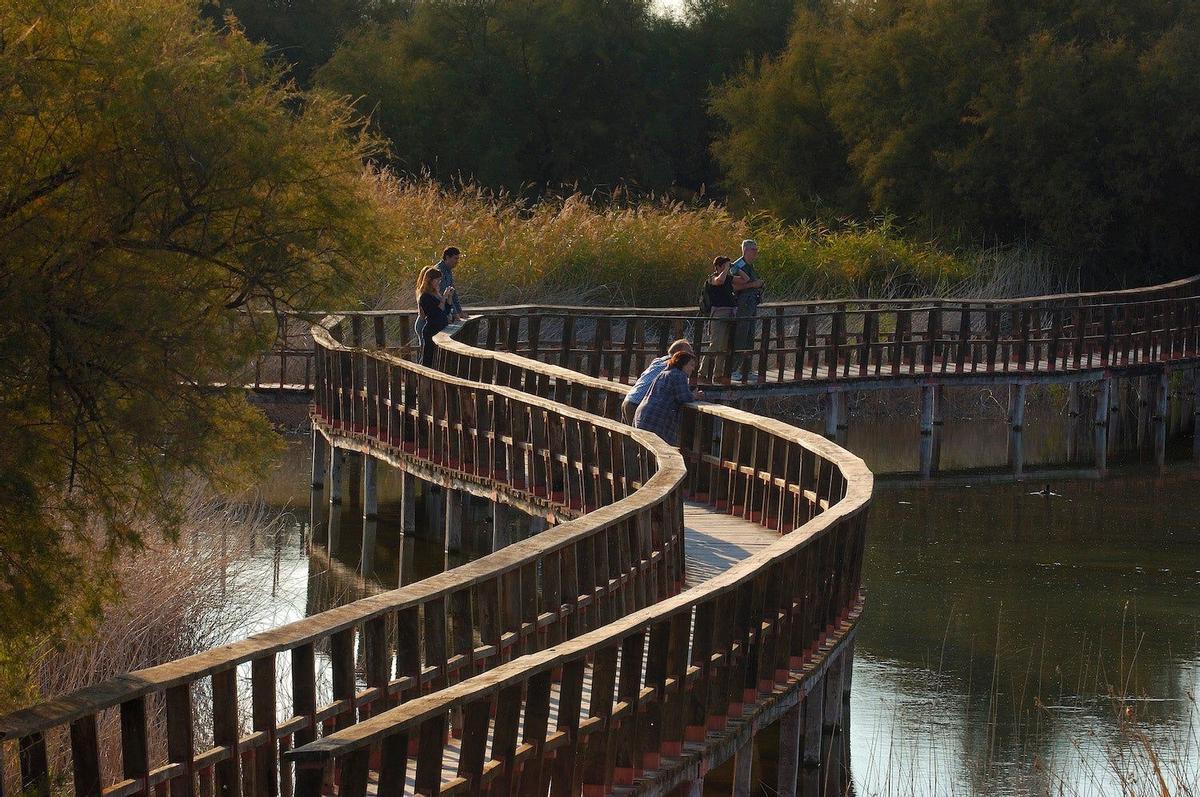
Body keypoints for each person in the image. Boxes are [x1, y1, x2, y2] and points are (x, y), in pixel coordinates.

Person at [632, 351, 704, 445]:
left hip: (643, 415)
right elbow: (684, 397)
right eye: (691, 365)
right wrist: (695, 395)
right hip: (656, 419)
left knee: (645, 451)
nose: (693, 368)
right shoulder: (679, 375)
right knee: (660, 450)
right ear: (683, 364)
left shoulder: (665, 373)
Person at [620, 339, 693, 424]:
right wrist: (693, 395)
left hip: (629, 399)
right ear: (678, 352)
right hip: (638, 404)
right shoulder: (673, 365)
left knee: (628, 435)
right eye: (689, 352)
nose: (691, 355)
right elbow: (683, 396)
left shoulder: (658, 361)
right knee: (639, 436)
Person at [729, 239, 765, 380]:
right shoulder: (738, 265)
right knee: (741, 336)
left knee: (750, 337)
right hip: (743, 304)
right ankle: (733, 369)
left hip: (751, 304)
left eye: (757, 249)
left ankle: (747, 369)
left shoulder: (750, 265)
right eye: (754, 250)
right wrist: (753, 285)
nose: (756, 252)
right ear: (745, 250)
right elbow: (733, 286)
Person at [700, 256, 739, 384]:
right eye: (724, 265)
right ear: (718, 266)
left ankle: (718, 374)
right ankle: (702, 373)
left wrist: (736, 267)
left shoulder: (728, 278)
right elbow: (720, 281)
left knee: (723, 346)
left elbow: (746, 280)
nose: (726, 268)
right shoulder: (712, 278)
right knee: (715, 344)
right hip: (718, 314)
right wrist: (726, 269)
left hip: (730, 314)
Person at [415, 265, 454, 367]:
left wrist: (449, 297)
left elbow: (446, 310)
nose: (439, 283)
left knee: (438, 359)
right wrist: (444, 297)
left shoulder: (435, 293)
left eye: (440, 280)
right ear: (429, 280)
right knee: (428, 358)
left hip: (440, 328)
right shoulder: (425, 296)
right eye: (437, 280)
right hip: (431, 330)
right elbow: (435, 312)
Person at [434, 246, 464, 321]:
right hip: (435, 315)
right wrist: (455, 313)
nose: (457, 261)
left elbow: (453, 294)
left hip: (444, 312)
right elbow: (443, 294)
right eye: (455, 258)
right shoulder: (439, 271)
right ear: (447, 257)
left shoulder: (448, 270)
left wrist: (459, 312)